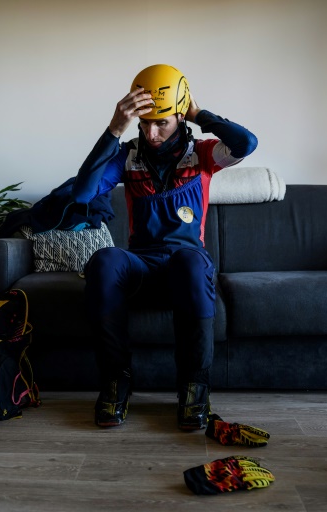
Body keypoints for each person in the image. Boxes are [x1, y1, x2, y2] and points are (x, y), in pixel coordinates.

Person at [71, 64, 257, 429]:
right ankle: (116, 382)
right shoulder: (127, 157)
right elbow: (83, 192)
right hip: (141, 266)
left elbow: (246, 144)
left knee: (192, 262)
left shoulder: (204, 154)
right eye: (145, 123)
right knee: (104, 260)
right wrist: (114, 128)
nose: (152, 133)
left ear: (179, 116)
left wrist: (199, 113)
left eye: (162, 123)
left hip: (185, 267)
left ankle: (194, 387)